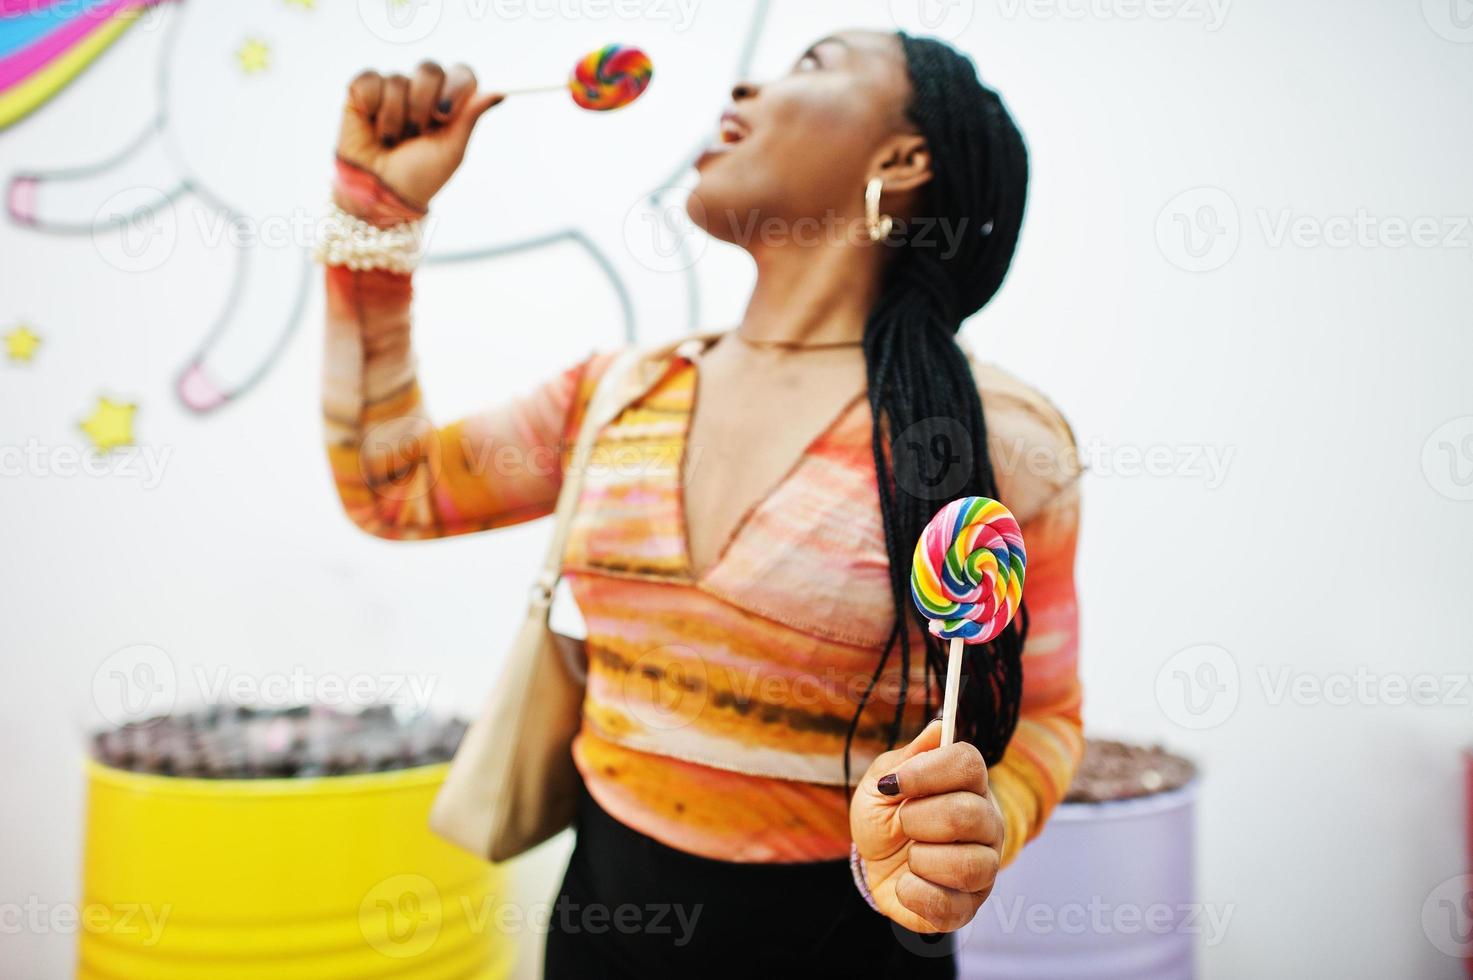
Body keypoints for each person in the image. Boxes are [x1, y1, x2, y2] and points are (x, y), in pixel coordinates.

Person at [320, 28, 1083, 978]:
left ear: (903, 157)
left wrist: (971, 831)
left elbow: (1044, 717)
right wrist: (376, 215)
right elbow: (393, 489)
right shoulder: (623, 391)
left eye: (812, 63)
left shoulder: (996, 435)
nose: (746, 80)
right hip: (597, 934)